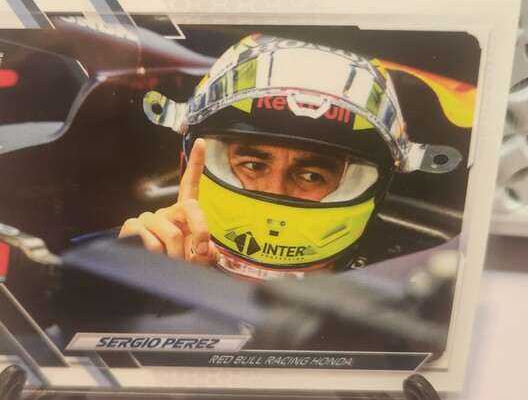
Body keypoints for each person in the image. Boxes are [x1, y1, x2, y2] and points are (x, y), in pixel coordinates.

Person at [120, 34, 466, 281]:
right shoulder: (149, 253)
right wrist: (137, 275)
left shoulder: (411, 288)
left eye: (312, 175)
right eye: (253, 165)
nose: (276, 191)